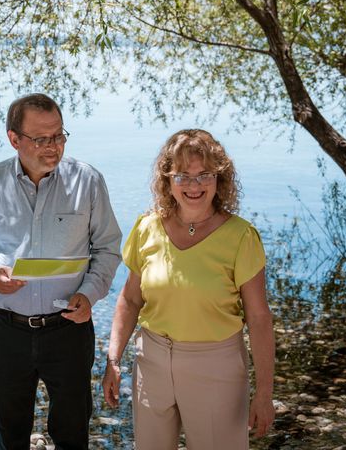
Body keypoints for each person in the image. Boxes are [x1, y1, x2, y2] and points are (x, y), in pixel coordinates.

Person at [0, 93, 122, 449]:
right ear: (14, 139)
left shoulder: (88, 181)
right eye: (42, 139)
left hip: (69, 330)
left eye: (59, 136)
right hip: (6, 332)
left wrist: (89, 294)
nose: (53, 147)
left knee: (72, 434)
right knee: (8, 436)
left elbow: (107, 249)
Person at [102, 129, 275, 450]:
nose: (194, 186)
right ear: (167, 180)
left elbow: (260, 318)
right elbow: (129, 299)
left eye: (204, 175)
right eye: (183, 176)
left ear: (219, 179)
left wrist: (264, 392)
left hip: (216, 369)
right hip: (151, 363)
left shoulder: (240, 237)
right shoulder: (147, 228)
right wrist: (113, 359)